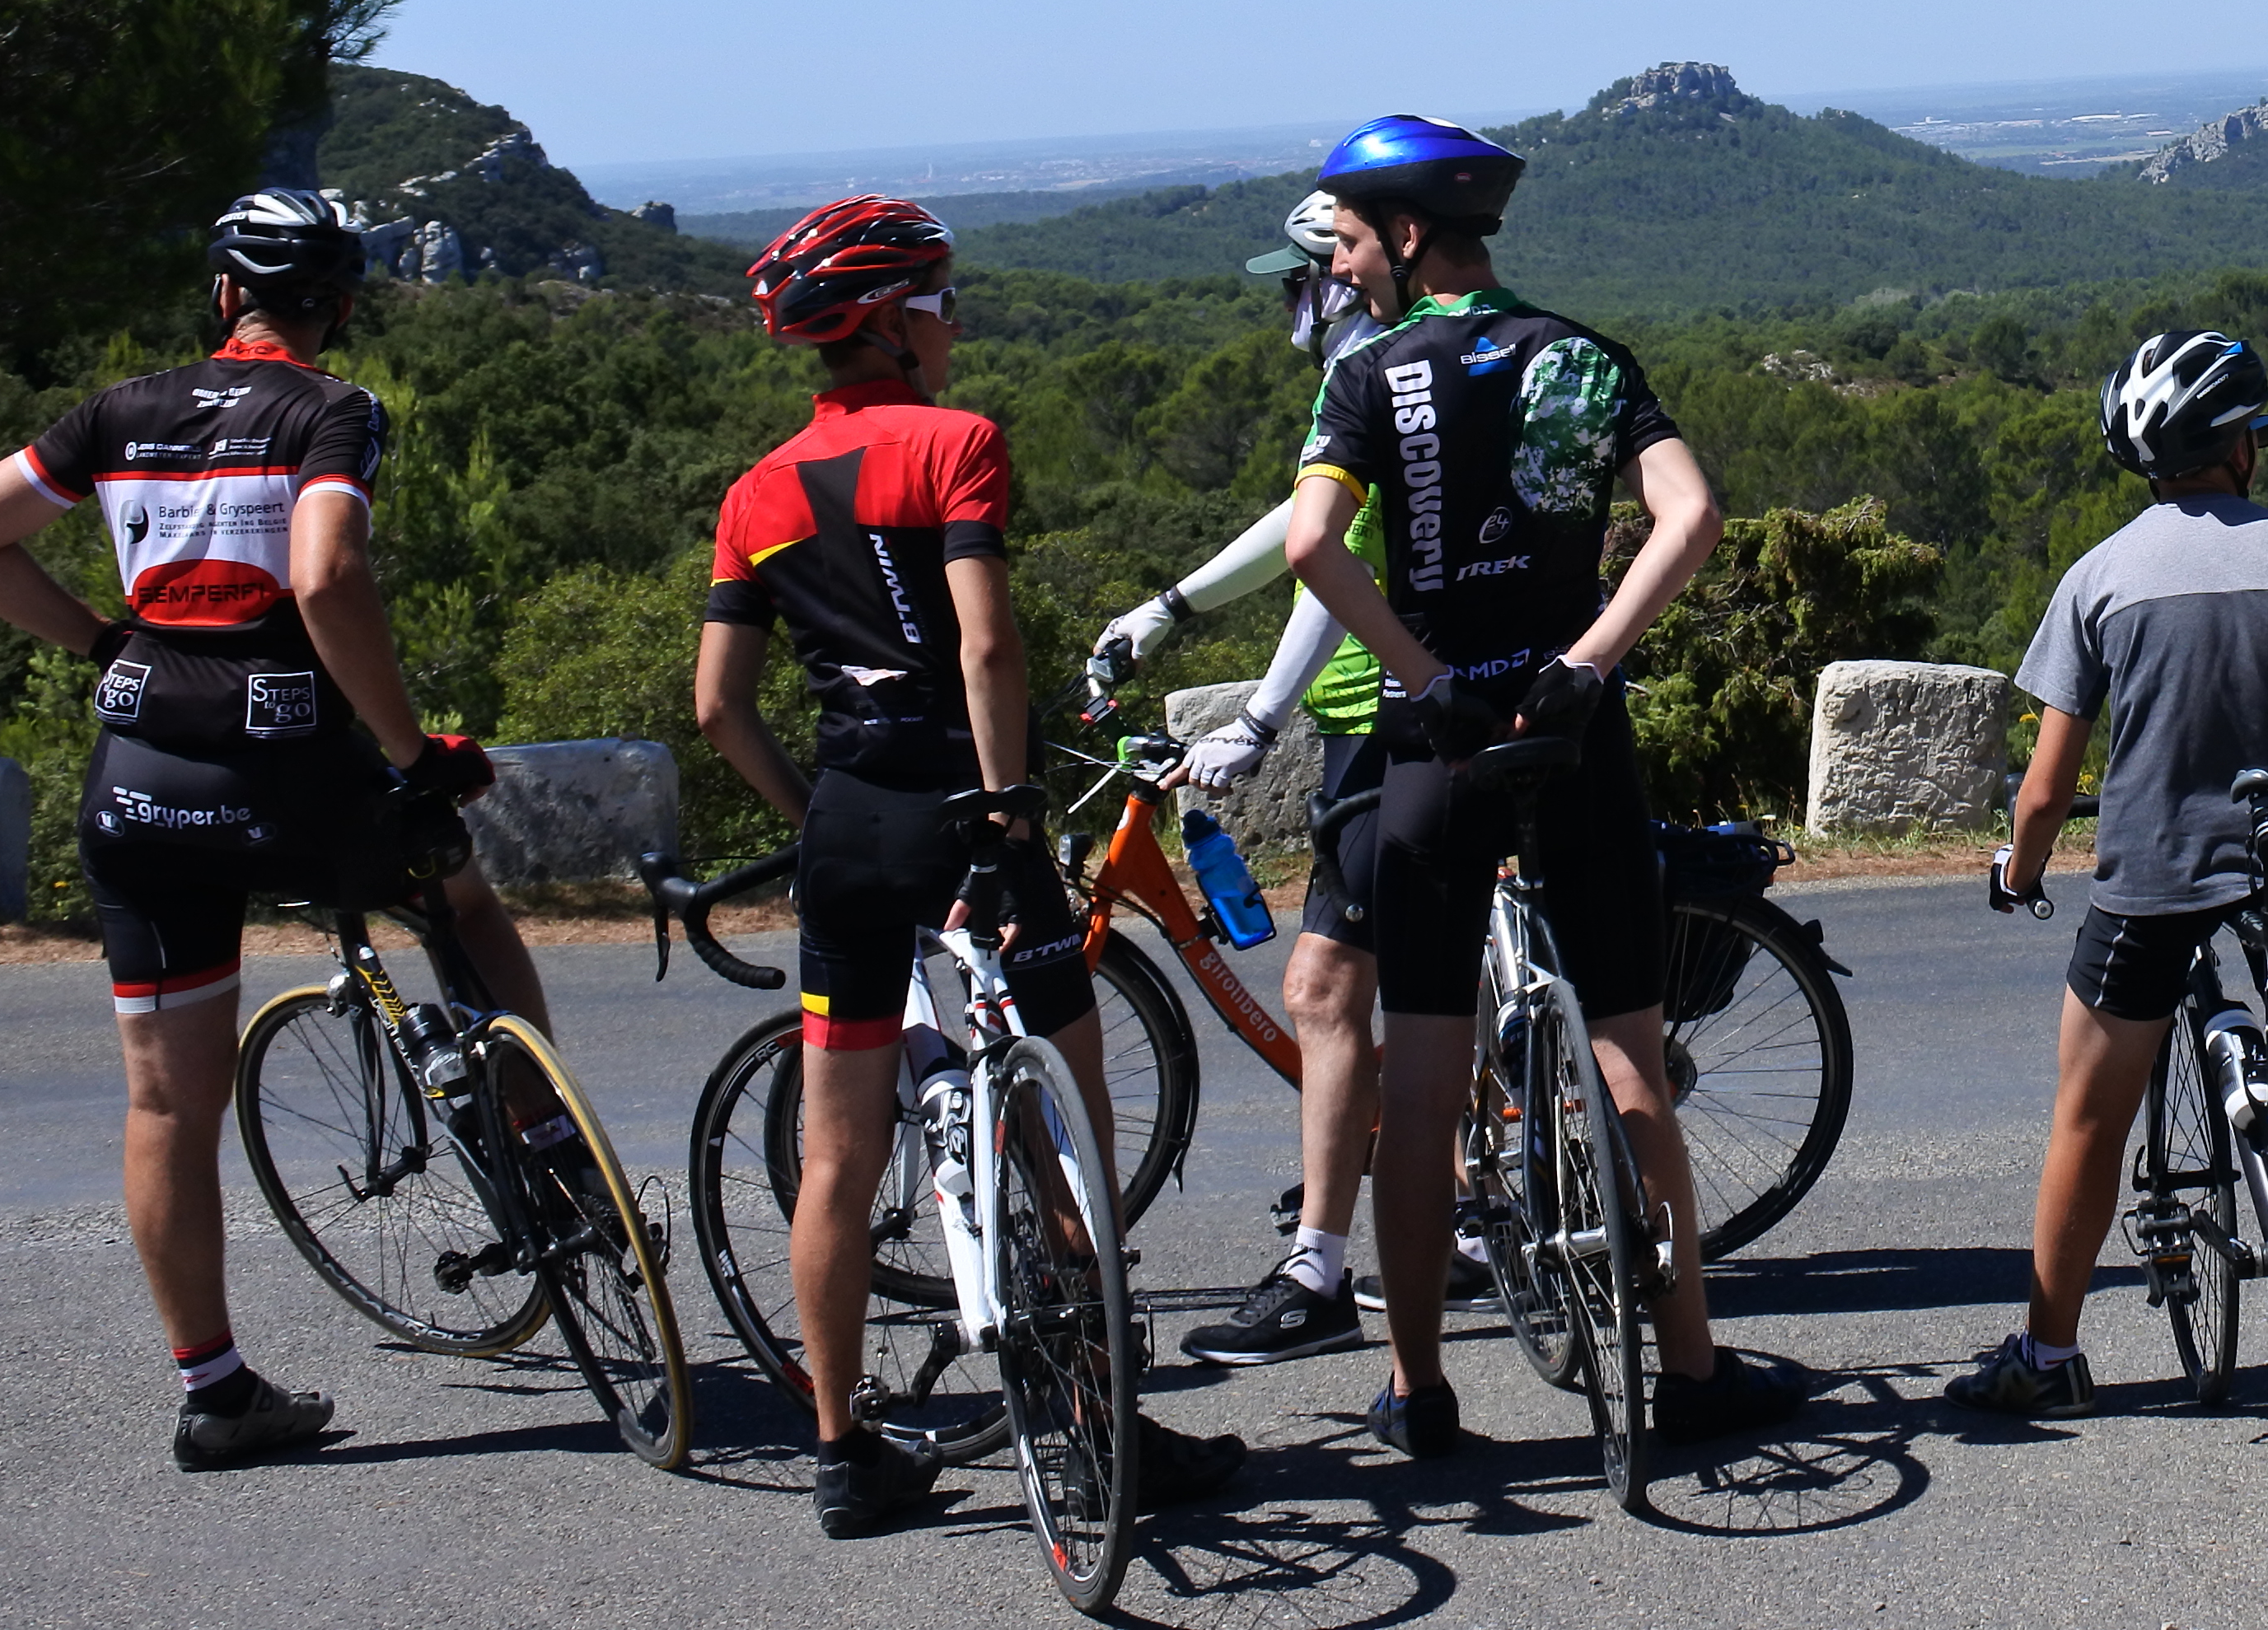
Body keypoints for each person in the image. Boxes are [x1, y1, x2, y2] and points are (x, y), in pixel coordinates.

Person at [0, 187, 531, 1471]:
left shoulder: (119, 414)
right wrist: (415, 754)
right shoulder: (331, 410)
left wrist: (102, 642)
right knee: (459, 900)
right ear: (339, 307)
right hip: (289, 768)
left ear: (220, 298)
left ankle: (215, 1390)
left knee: (164, 1100)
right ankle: (542, 1153)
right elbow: (325, 578)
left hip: (139, 776)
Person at [688, 195, 1241, 1538]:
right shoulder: (957, 444)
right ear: (887, 320)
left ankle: (842, 1456)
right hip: (962, 805)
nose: (954, 321)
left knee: (837, 1153)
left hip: (850, 828)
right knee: (1073, 1104)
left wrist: (813, 810)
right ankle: (1104, 1420)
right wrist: (1001, 805)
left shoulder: (757, 491)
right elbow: (987, 648)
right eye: (940, 299)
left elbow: (718, 707)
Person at [1275, 114, 1810, 1461]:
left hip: (1436, 746)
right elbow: (1691, 517)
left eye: (1357, 248)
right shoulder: (1583, 354)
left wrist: (1419, 670)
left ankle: (1417, 1392)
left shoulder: (1369, 374)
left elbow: (1309, 548)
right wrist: (1583, 661)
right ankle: (1687, 1363)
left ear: (1403, 238)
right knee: (1630, 1045)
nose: (1348, 276)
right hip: (1573, 734)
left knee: (1424, 1083)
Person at [1943, 329, 2268, 1417]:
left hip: (2148, 876)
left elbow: (2046, 792)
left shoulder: (2098, 580)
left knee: (2088, 1118)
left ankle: (2047, 1360)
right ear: (2239, 448)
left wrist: (2021, 868)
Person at [1083, 189, 1493, 1366]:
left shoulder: (1371, 368)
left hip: (1382, 713)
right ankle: (1457, 1213)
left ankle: (1323, 1262)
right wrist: (1175, 606)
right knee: (1408, 986)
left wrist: (1259, 715)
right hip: (1433, 699)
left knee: (1330, 993)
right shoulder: (1413, 361)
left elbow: (1330, 566)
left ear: (1352, 269)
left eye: (1298, 277)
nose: (1287, 302)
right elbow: (1299, 521)